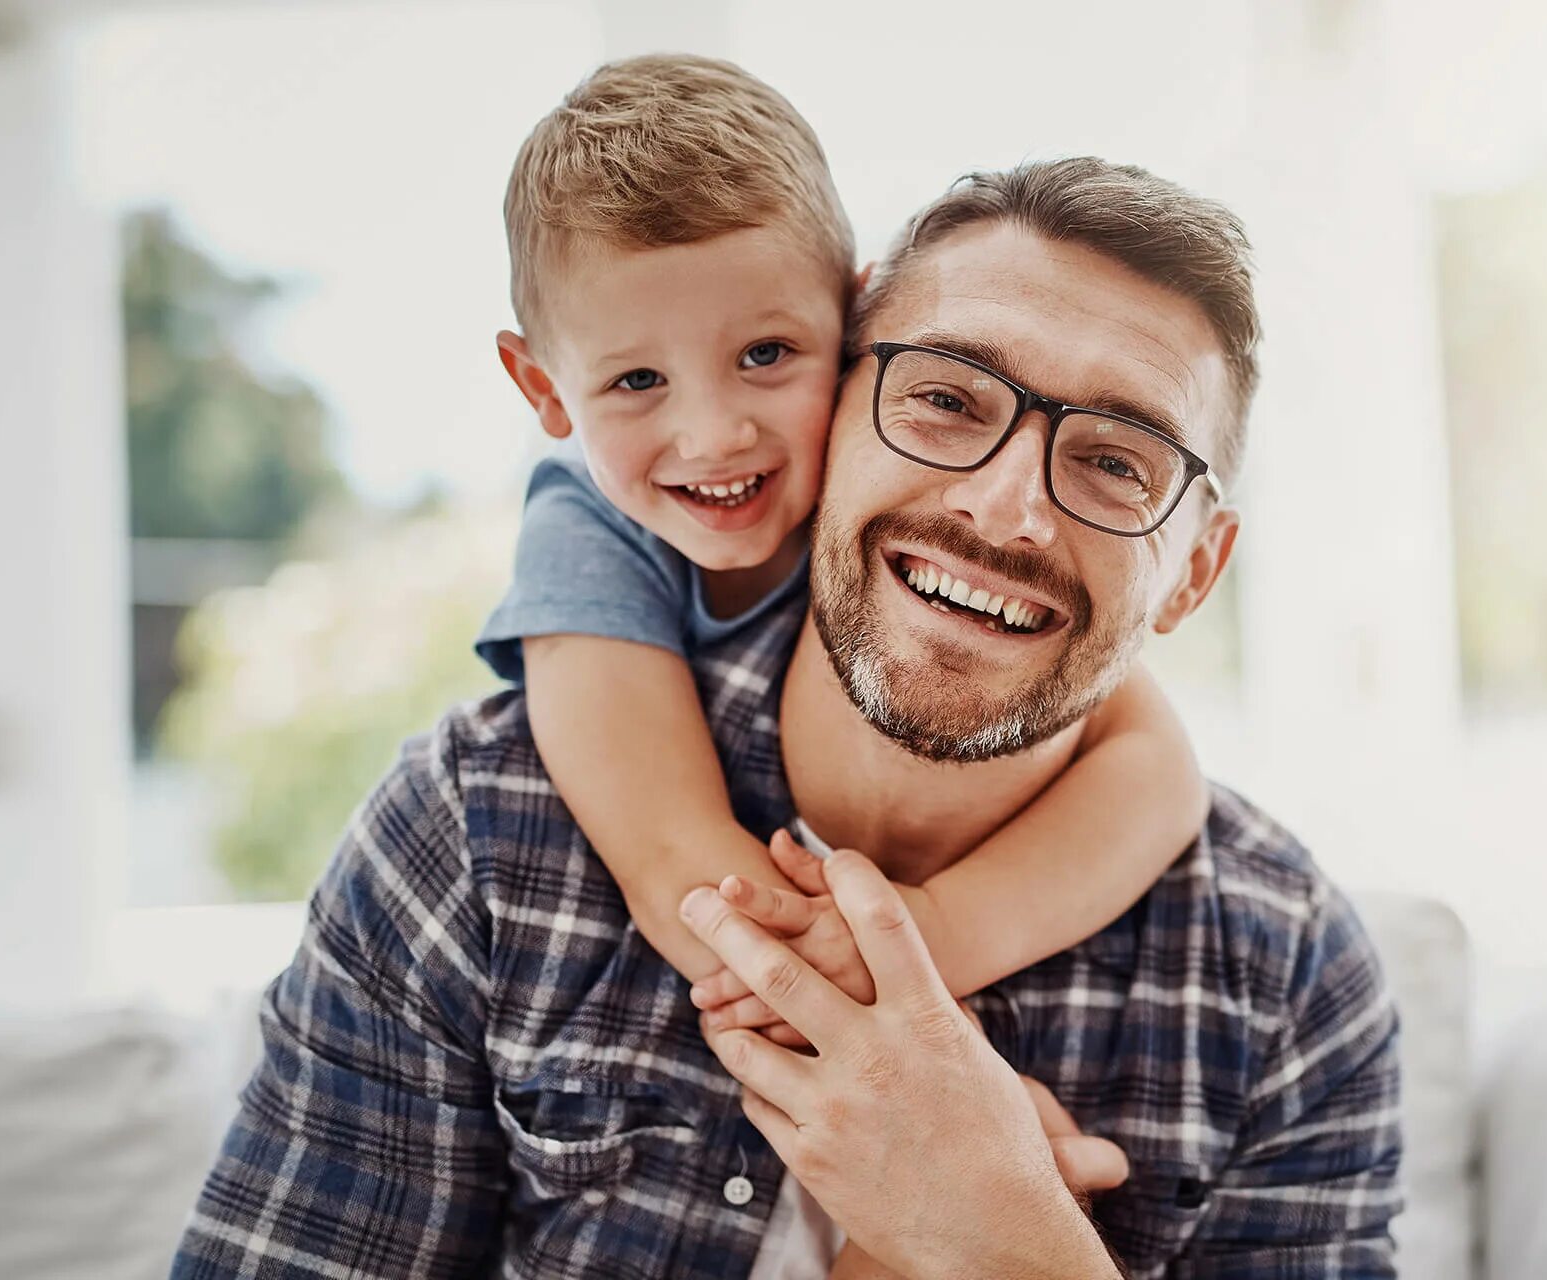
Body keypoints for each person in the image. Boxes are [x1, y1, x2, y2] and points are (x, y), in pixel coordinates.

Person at [172, 129, 1402, 1280]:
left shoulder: (1287, 975)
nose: (1003, 504)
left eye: (1114, 460)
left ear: (1194, 569)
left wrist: (1013, 1240)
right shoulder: (476, 835)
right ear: (827, 417)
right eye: (947, 398)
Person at [474, 53, 1208, 1053]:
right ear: (546, 388)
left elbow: (1155, 769)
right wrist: (896, 1028)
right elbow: (668, 854)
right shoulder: (588, 531)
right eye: (638, 379)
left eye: (766, 356)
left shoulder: (898, 480)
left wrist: (932, 940)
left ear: (857, 321)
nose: (717, 434)